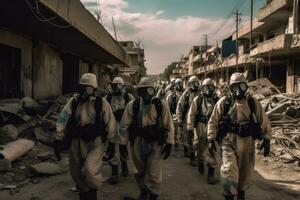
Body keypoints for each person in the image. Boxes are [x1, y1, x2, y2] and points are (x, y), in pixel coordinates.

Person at [207, 73, 272, 200]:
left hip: (247, 142)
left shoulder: (253, 103)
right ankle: (229, 195)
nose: (238, 90)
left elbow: (264, 120)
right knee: (228, 170)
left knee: (245, 173)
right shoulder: (224, 102)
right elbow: (213, 121)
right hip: (228, 141)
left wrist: (267, 139)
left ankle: (241, 193)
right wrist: (210, 139)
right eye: (234, 87)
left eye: (241, 86)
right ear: (230, 88)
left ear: (246, 87)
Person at [54, 73, 116, 200]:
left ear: (93, 89)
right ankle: (83, 194)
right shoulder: (74, 102)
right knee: (76, 171)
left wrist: (112, 142)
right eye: (83, 88)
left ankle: (92, 194)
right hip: (77, 141)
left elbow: (110, 122)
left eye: (88, 88)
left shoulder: (101, 103)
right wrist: (58, 138)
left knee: (90, 169)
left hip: (95, 142)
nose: (85, 91)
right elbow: (63, 119)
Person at [119, 77, 174, 200]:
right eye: (142, 91)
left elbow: (168, 124)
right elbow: (123, 126)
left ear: (153, 91)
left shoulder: (161, 105)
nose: (145, 94)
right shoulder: (133, 105)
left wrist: (169, 142)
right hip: (137, 142)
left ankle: (153, 195)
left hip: (155, 144)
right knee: (139, 170)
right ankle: (143, 190)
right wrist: (122, 143)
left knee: (154, 173)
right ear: (139, 92)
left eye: (148, 90)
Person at [187, 78, 219, 184]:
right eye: (206, 87)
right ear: (202, 88)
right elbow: (191, 114)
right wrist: (190, 128)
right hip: (200, 126)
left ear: (213, 88)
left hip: (213, 127)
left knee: (213, 149)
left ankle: (210, 174)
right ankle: (200, 161)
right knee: (199, 146)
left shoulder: (217, 100)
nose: (208, 90)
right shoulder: (198, 99)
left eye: (210, 87)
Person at [105, 77, 135, 184]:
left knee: (123, 147)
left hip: (124, 127)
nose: (116, 88)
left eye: (118, 85)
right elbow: (103, 111)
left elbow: (134, 111)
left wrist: (125, 115)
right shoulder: (108, 98)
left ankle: (124, 166)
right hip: (112, 127)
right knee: (112, 149)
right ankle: (114, 172)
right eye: (114, 86)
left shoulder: (128, 97)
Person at [176, 75, 200, 163]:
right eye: (192, 83)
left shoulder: (201, 93)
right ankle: (191, 155)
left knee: (198, 138)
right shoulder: (186, 94)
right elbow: (180, 106)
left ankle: (197, 155)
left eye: (196, 83)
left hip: (198, 118)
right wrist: (179, 118)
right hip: (187, 118)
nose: (194, 85)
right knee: (188, 137)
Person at [165, 78, 184, 150]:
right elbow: (167, 106)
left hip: (183, 116)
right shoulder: (171, 95)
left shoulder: (185, 94)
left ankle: (183, 144)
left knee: (182, 131)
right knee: (175, 131)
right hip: (174, 117)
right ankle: (176, 143)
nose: (179, 85)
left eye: (180, 83)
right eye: (177, 84)